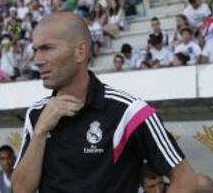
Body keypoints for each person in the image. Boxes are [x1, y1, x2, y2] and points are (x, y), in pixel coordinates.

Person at [11, 12, 198, 193]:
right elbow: (20, 189)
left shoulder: (130, 112)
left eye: (47, 48)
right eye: (35, 50)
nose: (37, 60)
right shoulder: (36, 114)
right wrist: (40, 132)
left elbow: (186, 180)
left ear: (80, 52)